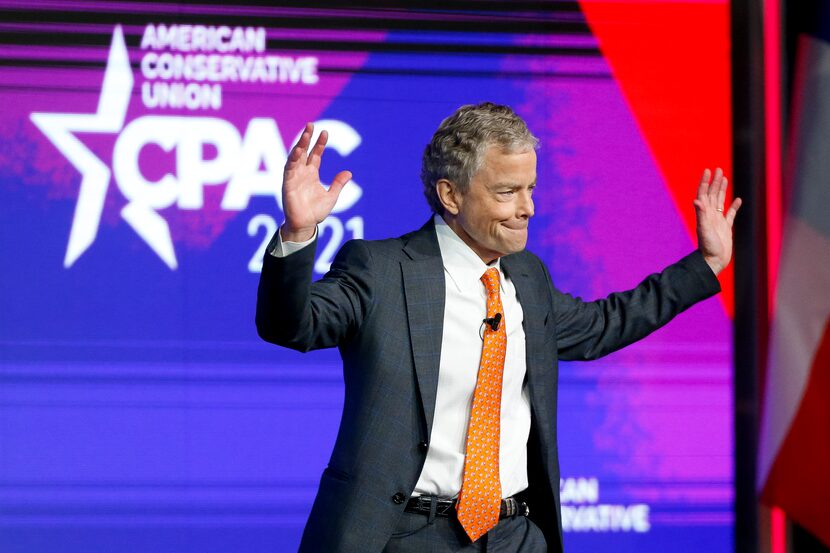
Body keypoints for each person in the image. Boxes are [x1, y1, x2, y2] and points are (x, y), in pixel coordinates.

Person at [256, 102, 741, 552]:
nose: (527, 208)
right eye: (507, 192)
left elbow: (602, 326)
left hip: (514, 534)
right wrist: (298, 233)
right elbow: (292, 326)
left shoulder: (526, 277)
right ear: (451, 194)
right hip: (405, 535)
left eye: (530, 189)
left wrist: (705, 265)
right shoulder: (381, 270)